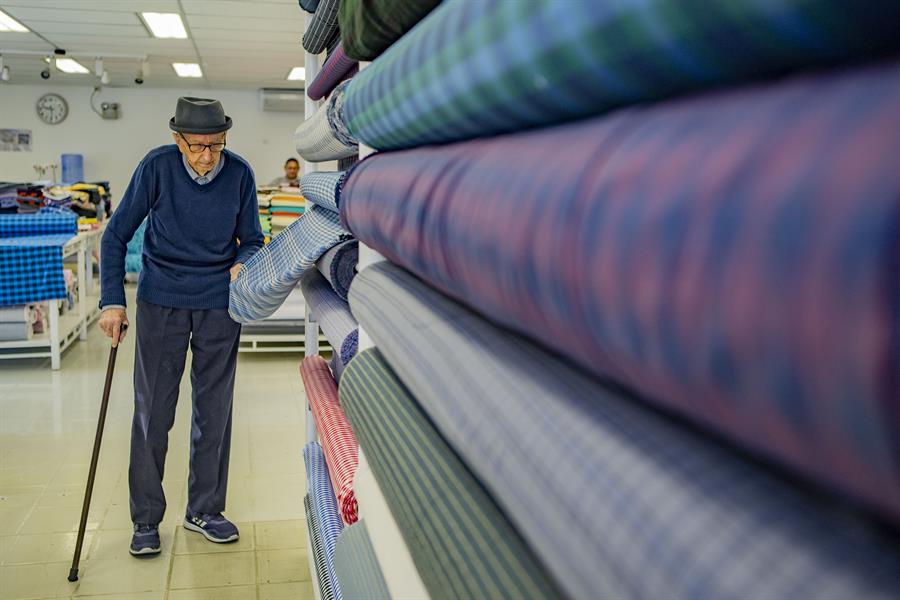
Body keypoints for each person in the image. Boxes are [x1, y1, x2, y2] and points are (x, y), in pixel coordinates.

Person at [98, 97, 264, 557]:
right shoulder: (156, 167)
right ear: (178, 140)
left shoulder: (241, 174)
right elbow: (115, 235)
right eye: (197, 147)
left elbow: (251, 239)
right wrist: (112, 300)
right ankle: (146, 519)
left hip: (218, 303)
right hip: (161, 300)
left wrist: (243, 262)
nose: (208, 156)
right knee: (153, 411)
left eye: (217, 145)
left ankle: (204, 510)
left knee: (214, 411)